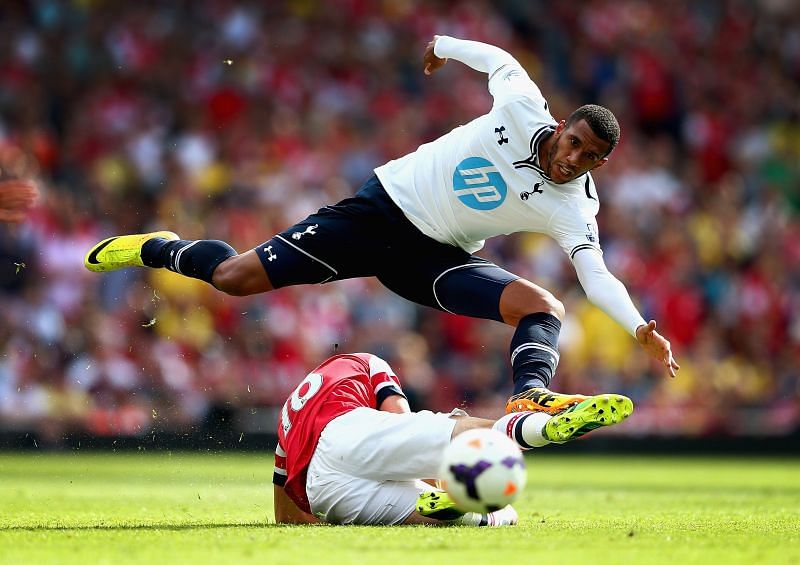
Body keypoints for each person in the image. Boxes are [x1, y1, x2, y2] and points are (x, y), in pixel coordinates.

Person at [84, 35, 679, 416]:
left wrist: (636, 328)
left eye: (590, 157)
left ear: (602, 162)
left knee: (543, 307)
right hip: (381, 211)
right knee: (236, 278)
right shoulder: (524, 107)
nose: (572, 160)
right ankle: (160, 248)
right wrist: (444, 44)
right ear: (565, 124)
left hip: (435, 257)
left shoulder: (576, 205)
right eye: (574, 143)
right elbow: (500, 61)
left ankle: (529, 397)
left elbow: (596, 275)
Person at [271, 352, 633, 526]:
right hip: (344, 434)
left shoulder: (290, 414)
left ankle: (470, 508)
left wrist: (324, 516)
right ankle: (541, 428)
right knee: (452, 430)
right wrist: (439, 469)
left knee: (480, 517)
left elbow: (286, 517)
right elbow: (401, 421)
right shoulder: (367, 363)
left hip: (323, 491)